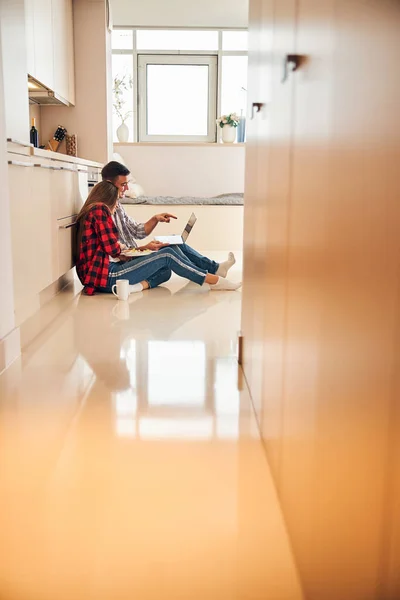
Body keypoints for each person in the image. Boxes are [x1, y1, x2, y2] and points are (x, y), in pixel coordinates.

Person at [75, 181, 241, 296]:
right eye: (117, 200)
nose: (117, 205)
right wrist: (141, 249)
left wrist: (143, 249)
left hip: (106, 271)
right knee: (167, 254)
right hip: (106, 276)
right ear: (108, 198)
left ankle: (135, 287)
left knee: (166, 264)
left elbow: (114, 249)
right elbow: (114, 250)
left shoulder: (95, 210)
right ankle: (214, 281)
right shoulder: (100, 210)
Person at [101, 161, 237, 279]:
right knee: (168, 252)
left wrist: (155, 219)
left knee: (172, 240)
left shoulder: (118, 206)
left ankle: (211, 269)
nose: (127, 188)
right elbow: (116, 253)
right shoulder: (103, 212)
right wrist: (144, 248)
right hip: (127, 261)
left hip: (133, 254)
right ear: (109, 184)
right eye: (123, 184)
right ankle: (206, 272)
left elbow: (137, 231)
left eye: (127, 183)